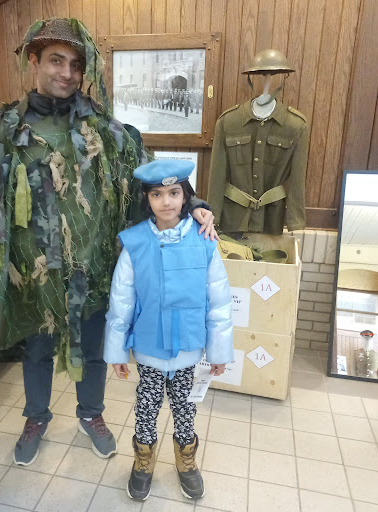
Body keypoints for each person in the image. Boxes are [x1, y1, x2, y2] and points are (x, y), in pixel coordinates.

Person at [0, 18, 217, 468]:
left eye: (76, 65)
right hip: (31, 271)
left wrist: (195, 204)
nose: (66, 73)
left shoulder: (108, 133)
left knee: (96, 349)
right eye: (55, 61)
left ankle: (91, 414)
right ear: (34, 61)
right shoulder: (0, 131)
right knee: (36, 350)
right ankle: (36, 418)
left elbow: (151, 178)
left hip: (94, 266)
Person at [104, 159, 233, 501]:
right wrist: (117, 351)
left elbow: (219, 301)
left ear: (185, 196)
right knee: (146, 409)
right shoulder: (135, 243)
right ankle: (143, 461)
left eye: (174, 193)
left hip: (189, 348)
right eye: (157, 194)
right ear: (147, 199)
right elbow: (121, 301)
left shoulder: (204, 240)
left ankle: (186, 461)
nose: (166, 202)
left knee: (185, 409)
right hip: (149, 348)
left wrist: (219, 351)